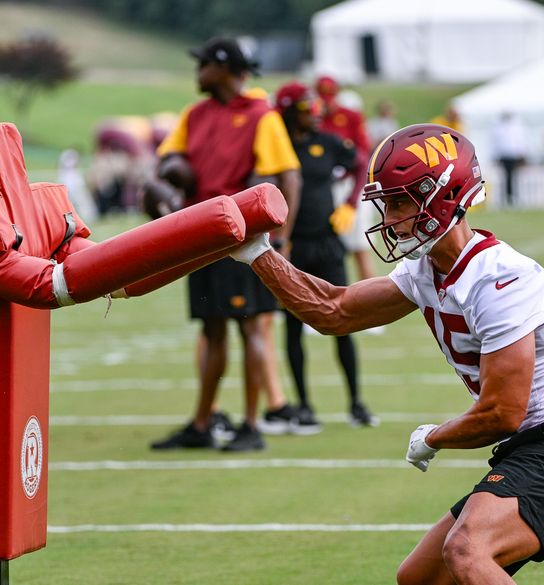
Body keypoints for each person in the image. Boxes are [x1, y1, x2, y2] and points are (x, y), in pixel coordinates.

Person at [230, 123, 544, 583]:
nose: (387, 219)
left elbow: (503, 413)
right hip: (527, 449)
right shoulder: (427, 271)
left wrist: (435, 436)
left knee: (467, 552)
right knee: (421, 578)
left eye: (397, 202)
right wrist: (259, 255)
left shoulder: (499, 278)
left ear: (442, 196)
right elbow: (334, 311)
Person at [148, 37, 301, 452]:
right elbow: (168, 160)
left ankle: (251, 425)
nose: (197, 73)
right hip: (200, 236)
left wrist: (282, 238)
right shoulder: (194, 114)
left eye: (203, 66)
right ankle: (202, 423)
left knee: (251, 325)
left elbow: (289, 176)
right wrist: (167, 176)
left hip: (244, 237)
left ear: (222, 67)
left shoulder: (260, 114)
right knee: (212, 328)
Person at [273, 81, 377, 430]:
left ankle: (356, 402)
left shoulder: (327, 142)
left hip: (327, 241)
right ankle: (303, 404)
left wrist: (350, 202)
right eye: (308, 109)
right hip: (291, 246)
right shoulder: (278, 147)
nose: (317, 115)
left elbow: (362, 161)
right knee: (292, 327)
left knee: (343, 317)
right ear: (290, 112)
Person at [313, 75, 378, 285]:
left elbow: (363, 152)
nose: (326, 101)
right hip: (324, 187)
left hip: (352, 184)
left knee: (360, 247)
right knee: (328, 250)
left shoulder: (350, 116)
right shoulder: (315, 118)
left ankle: (373, 305)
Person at [491, 112, 528, 208]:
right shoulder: (499, 128)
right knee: (506, 177)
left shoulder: (515, 127)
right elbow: (496, 143)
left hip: (513, 155)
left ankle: (512, 197)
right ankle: (507, 198)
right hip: (504, 155)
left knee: (512, 177)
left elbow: (519, 141)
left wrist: (521, 154)